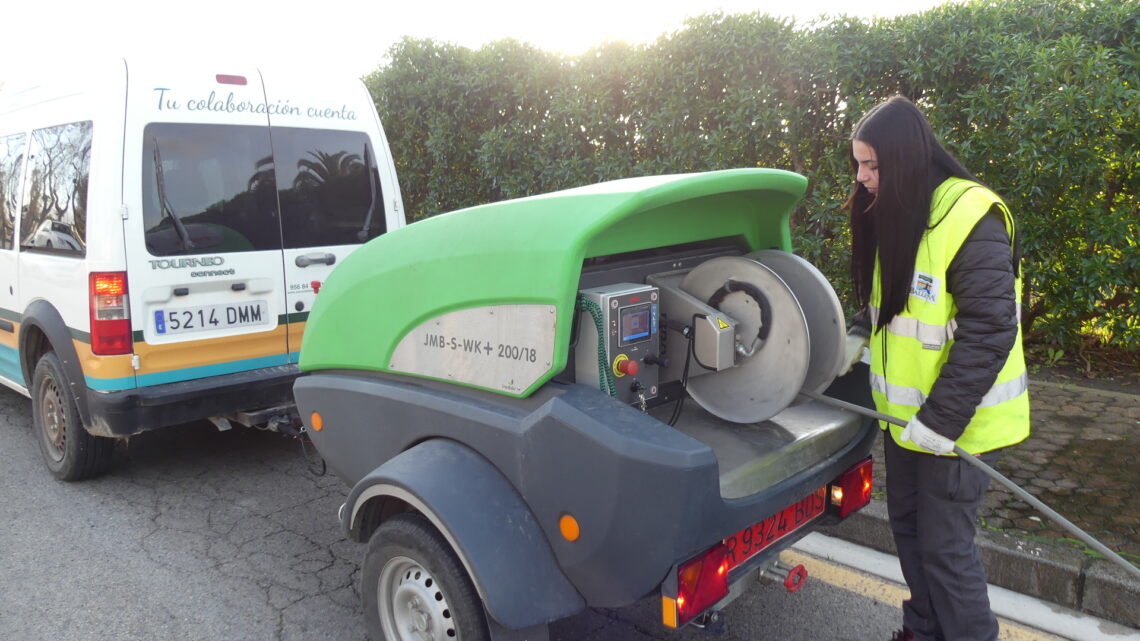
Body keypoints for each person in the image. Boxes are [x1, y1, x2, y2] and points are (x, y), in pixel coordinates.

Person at [839, 95, 1031, 641]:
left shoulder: (971, 216)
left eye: (872, 165)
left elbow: (990, 328)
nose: (862, 177)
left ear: (904, 159)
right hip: (906, 422)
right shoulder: (903, 209)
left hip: (958, 427)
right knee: (910, 533)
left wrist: (941, 422)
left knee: (946, 551)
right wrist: (855, 334)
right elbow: (893, 299)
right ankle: (923, 631)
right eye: (858, 164)